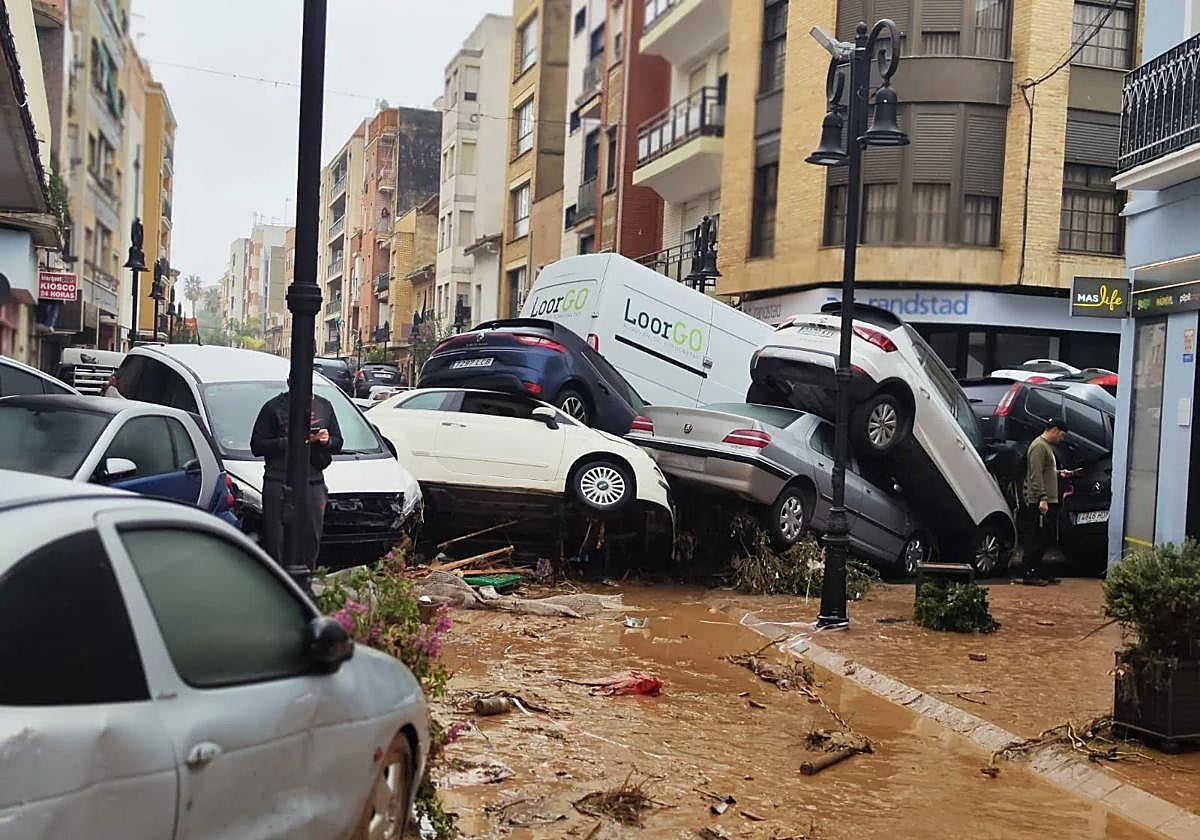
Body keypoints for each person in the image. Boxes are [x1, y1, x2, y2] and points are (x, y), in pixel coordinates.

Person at [250, 377, 343, 567]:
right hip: (279, 480)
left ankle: (306, 577)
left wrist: (327, 440)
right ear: (289, 382)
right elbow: (257, 446)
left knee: (310, 540)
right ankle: (278, 578)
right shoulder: (274, 407)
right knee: (277, 541)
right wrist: (289, 442)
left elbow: (338, 442)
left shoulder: (324, 406)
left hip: (313, 481)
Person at [1019, 418, 1075, 585]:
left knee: (1045, 537)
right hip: (1041, 501)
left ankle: (1037, 570)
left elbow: (1045, 471)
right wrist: (1042, 498)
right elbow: (1035, 475)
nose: (1061, 438)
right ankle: (1029, 572)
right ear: (1055, 430)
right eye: (1061, 434)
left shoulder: (1046, 447)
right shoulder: (1039, 446)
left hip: (1048, 498)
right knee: (1036, 537)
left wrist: (1059, 473)